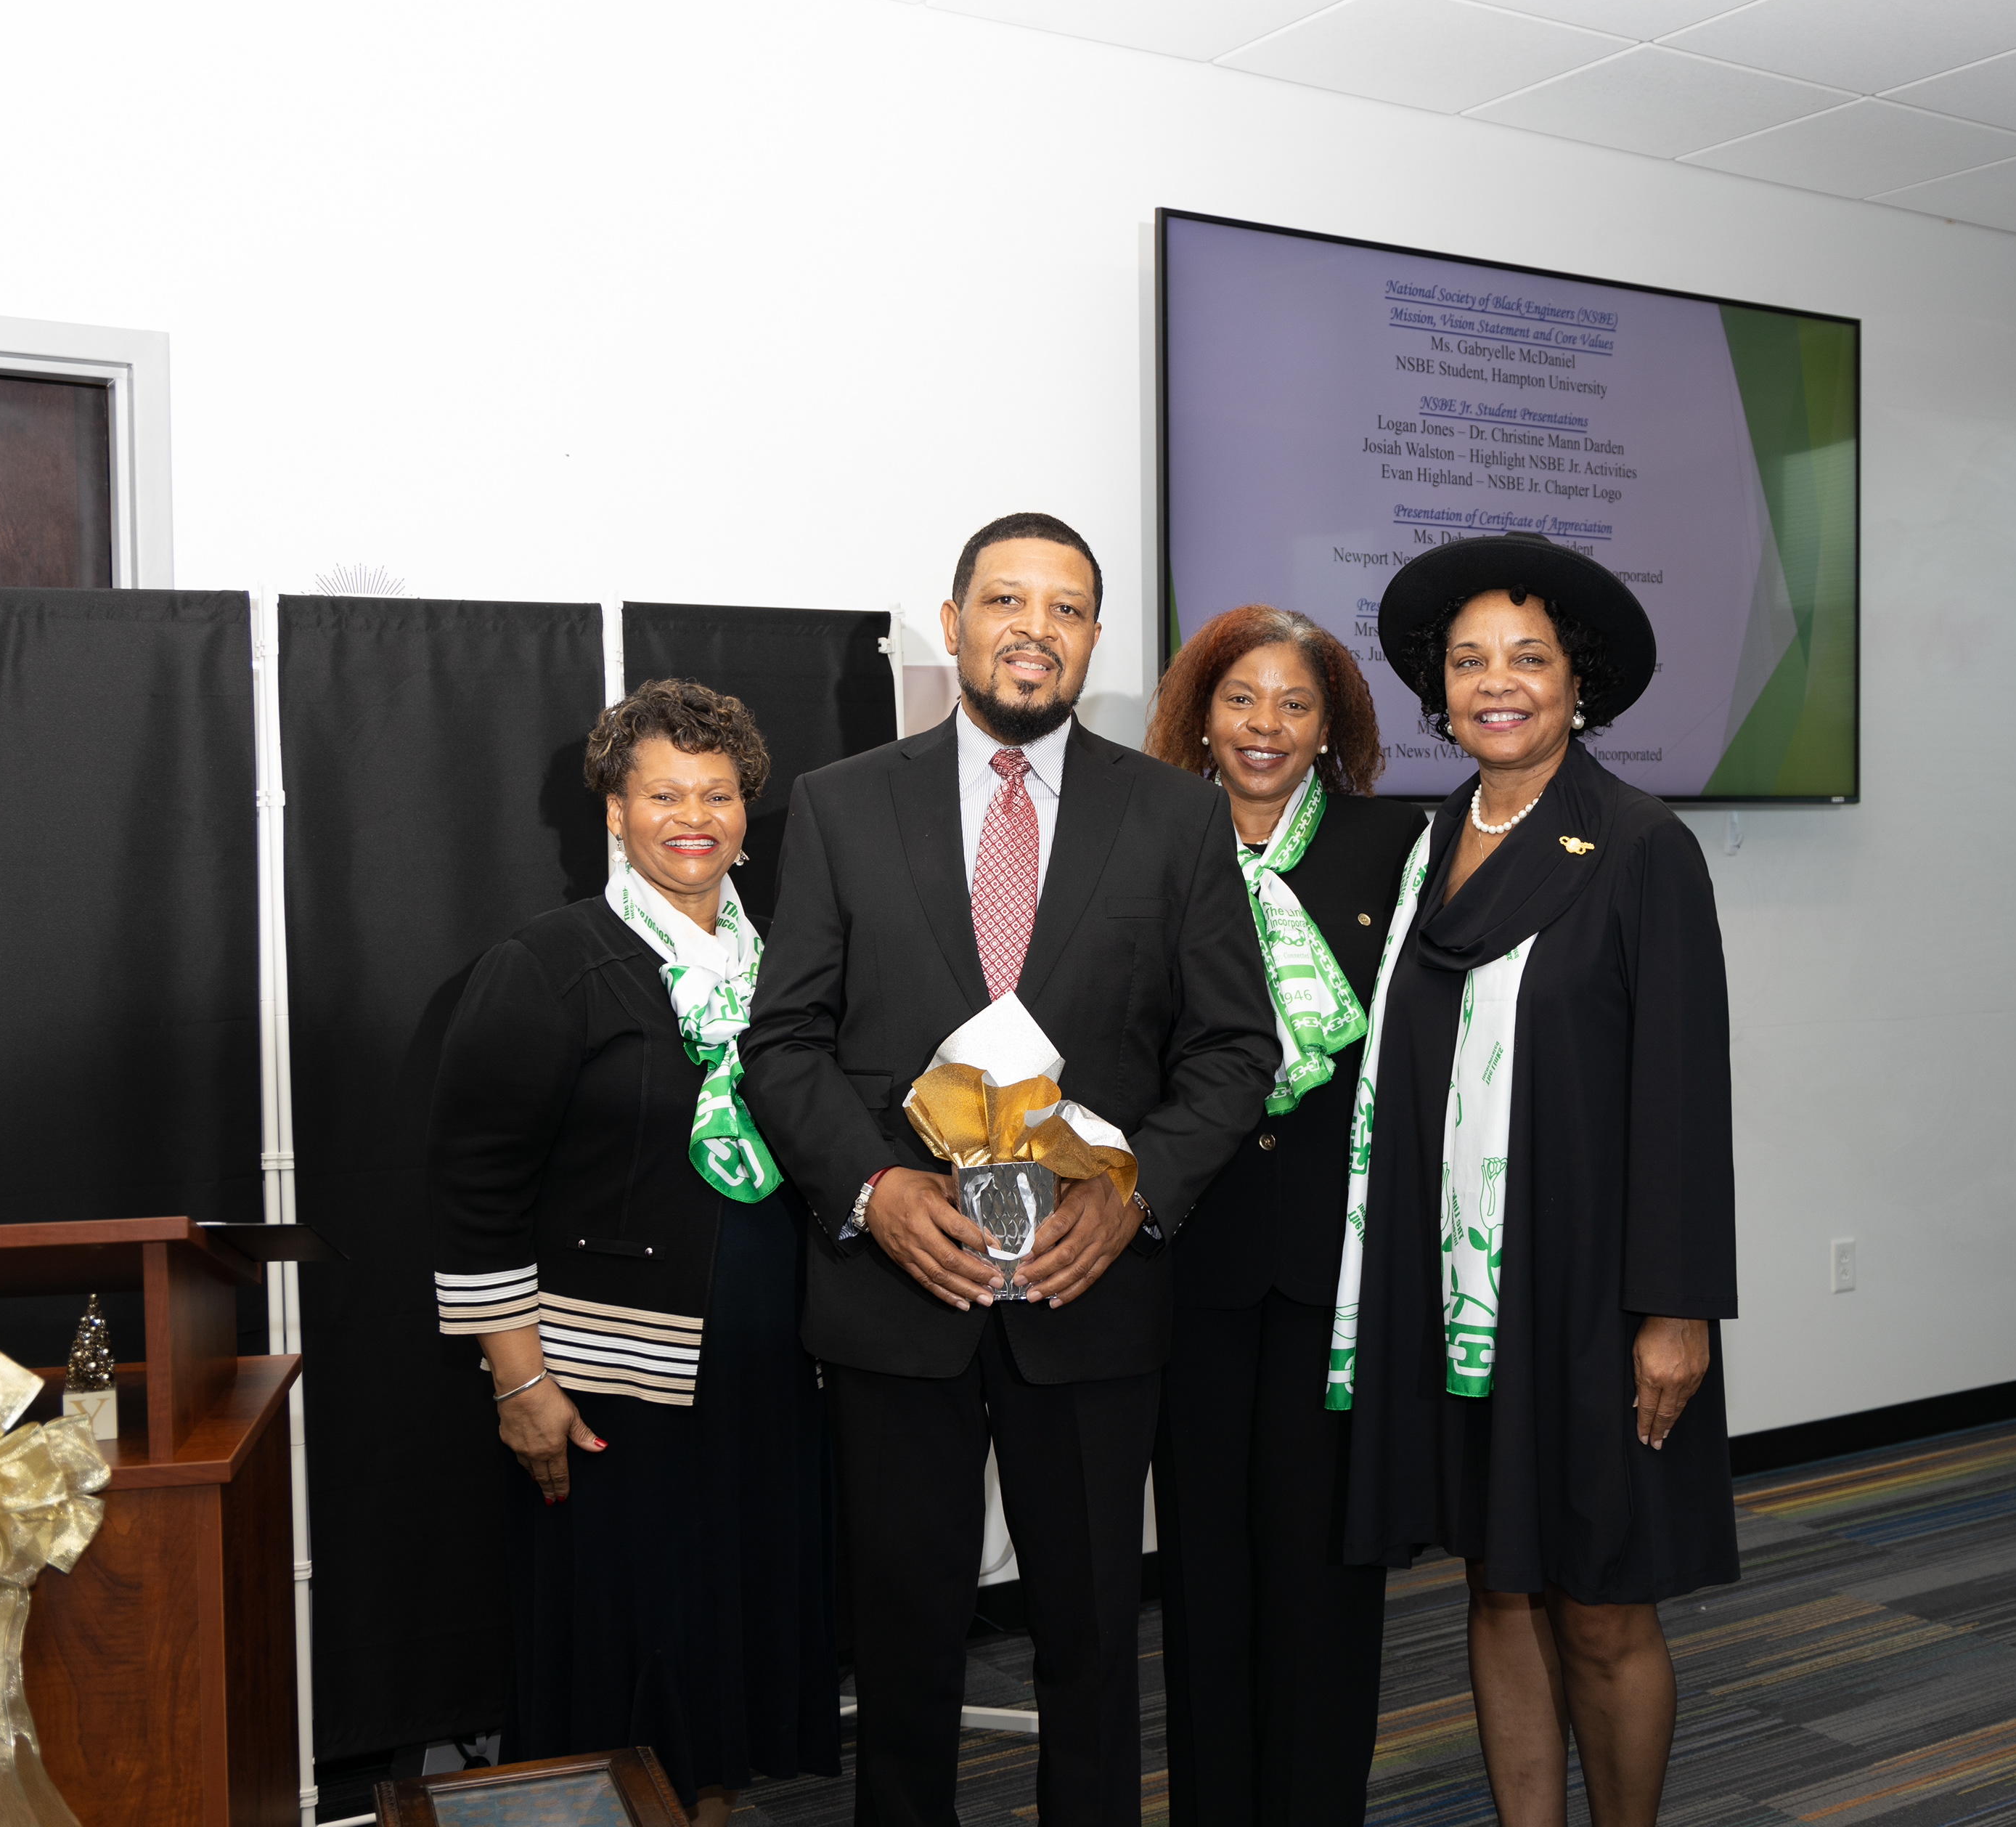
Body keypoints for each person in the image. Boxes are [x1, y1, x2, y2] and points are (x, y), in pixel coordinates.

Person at [741, 511, 1279, 1827]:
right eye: (1006, 601)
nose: (1034, 629)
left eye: (1067, 608)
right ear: (954, 622)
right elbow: (785, 1041)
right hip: (896, 1295)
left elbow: (1232, 1049)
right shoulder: (836, 802)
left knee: (1094, 1639)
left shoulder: (1176, 818)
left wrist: (1133, 1192)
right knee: (904, 1638)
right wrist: (876, 1190)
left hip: (1087, 1295)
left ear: (1094, 641)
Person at [1334, 532, 1738, 1827]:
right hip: (1464, 1298)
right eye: (1467, 662)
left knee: (1604, 1602)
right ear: (1438, 690)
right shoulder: (1425, 842)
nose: (1495, 683)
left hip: (1589, 1296)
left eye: (1527, 657)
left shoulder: (1636, 844)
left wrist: (1675, 1310)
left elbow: (1684, 1091)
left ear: (1579, 683)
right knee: (1498, 1587)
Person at [428, 678, 838, 1823]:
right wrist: (519, 1378)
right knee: (623, 1637)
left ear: (749, 813)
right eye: (663, 793)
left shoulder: (793, 970)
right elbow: (473, 1194)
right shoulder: (551, 964)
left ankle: (707, 1806)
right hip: (611, 1386)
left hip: (769, 1370)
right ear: (613, 810)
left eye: (717, 794)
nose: (692, 816)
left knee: (729, 1628)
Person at [1138, 606, 1424, 1827]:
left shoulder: (1392, 842)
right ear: (1201, 713)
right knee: (1202, 1571)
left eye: (1294, 705)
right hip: (1185, 1257)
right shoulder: (1150, 840)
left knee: (1323, 1571)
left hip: (1336, 1265)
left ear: (1331, 727)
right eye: (1241, 700)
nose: (1265, 727)